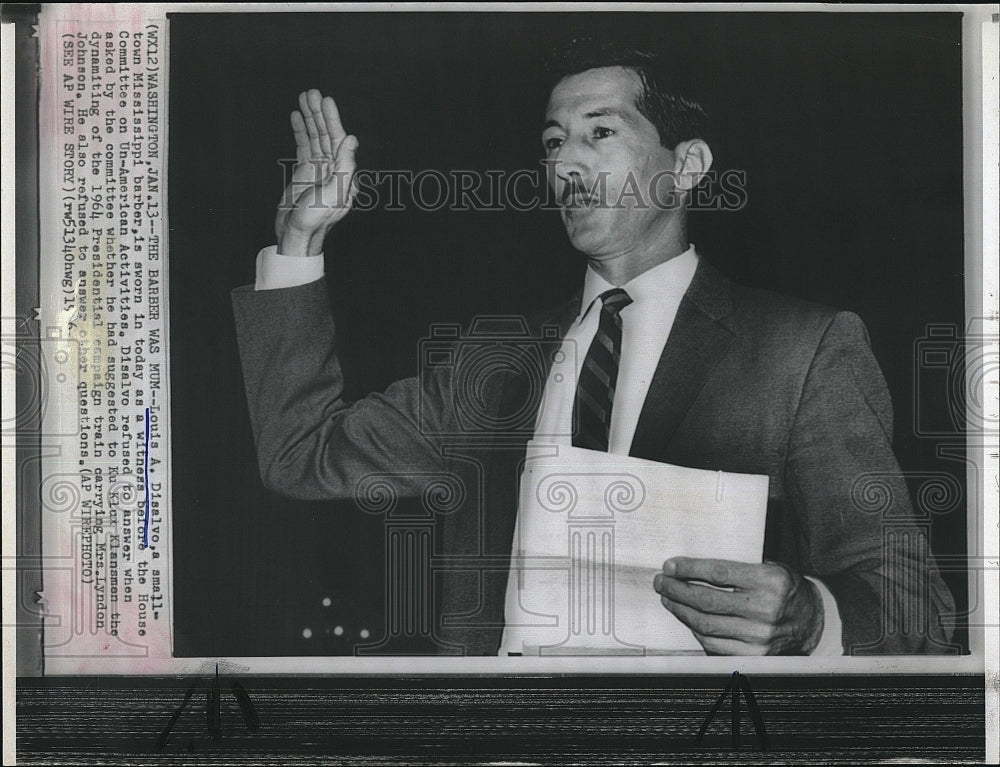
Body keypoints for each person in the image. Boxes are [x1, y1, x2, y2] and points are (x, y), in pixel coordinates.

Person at [231, 40, 955, 656]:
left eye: (599, 133)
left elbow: (916, 604)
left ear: (689, 163)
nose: (566, 164)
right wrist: (299, 243)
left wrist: (811, 617)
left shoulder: (802, 349)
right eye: (552, 143)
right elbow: (300, 455)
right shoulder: (489, 364)